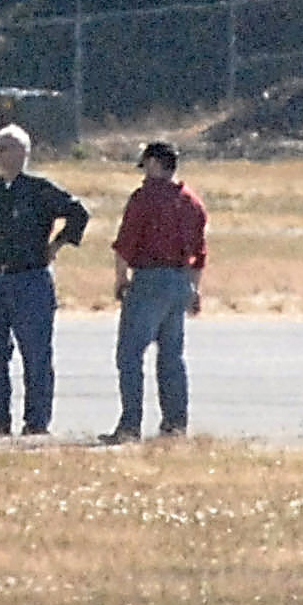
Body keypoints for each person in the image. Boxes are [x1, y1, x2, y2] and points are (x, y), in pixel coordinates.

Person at [0, 124, 90, 436]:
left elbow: (78, 213)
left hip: (30, 279)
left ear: (23, 152)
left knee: (35, 354)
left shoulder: (39, 189)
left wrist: (56, 246)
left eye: (6, 148)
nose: (1, 156)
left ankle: (36, 422)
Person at [102, 139, 208, 443]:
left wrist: (121, 279)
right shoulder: (191, 201)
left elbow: (126, 243)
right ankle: (175, 425)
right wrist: (194, 289)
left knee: (130, 355)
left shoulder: (144, 198)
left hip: (149, 279)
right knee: (172, 357)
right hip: (180, 281)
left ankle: (130, 425)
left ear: (154, 164)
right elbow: (200, 252)